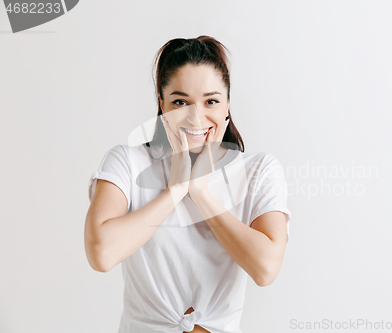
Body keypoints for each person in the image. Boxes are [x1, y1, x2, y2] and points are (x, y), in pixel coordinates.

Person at [85, 35, 292, 333]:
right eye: (180, 101)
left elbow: (265, 268)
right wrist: (175, 191)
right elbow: (101, 254)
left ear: (227, 105)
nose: (196, 117)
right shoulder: (128, 162)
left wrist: (200, 193)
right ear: (162, 103)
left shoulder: (258, 170)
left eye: (211, 101)